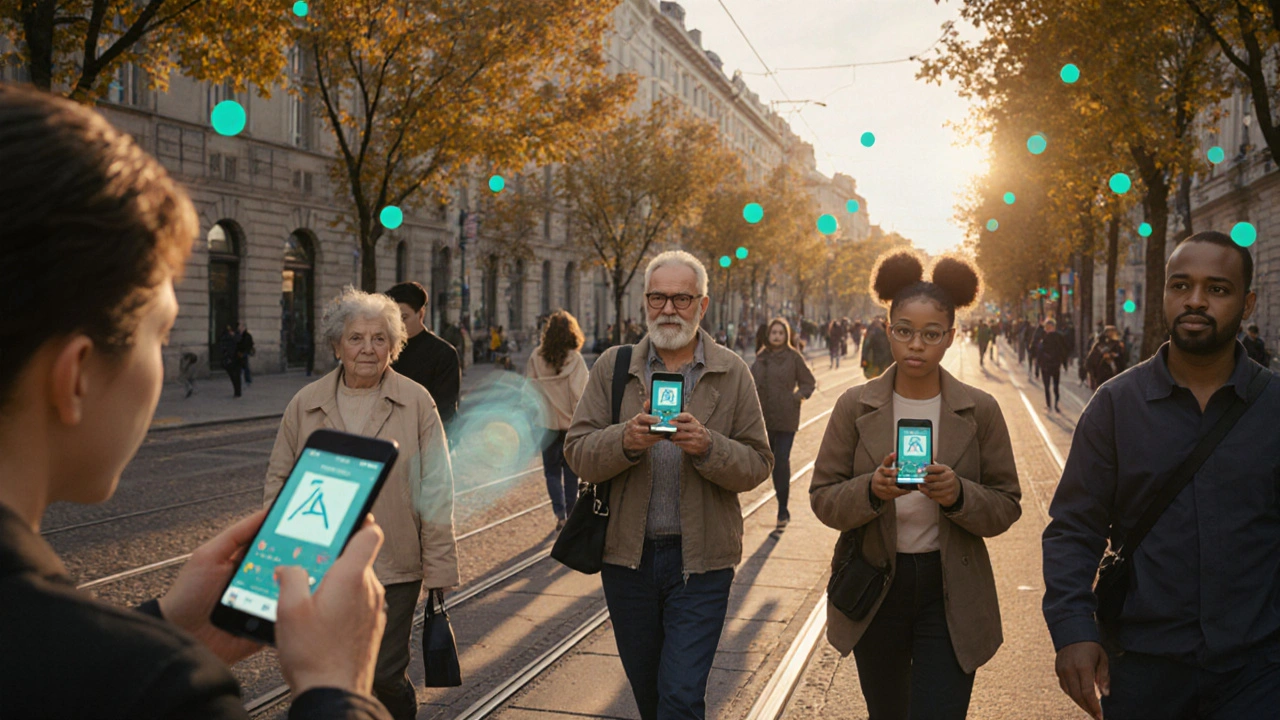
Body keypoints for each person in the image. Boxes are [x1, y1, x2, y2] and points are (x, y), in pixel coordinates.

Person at [0, 83, 391, 720]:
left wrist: (162, 627)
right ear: (75, 377)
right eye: (159, 333)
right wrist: (335, 686)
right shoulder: (164, 692)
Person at [1043, 231, 1280, 720]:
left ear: (1248, 302)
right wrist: (1073, 630)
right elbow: (1074, 529)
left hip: (1259, 672)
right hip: (1142, 669)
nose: (1195, 300)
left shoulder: (1275, 407)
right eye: (1181, 286)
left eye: (1217, 289)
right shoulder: (1114, 405)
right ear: (1163, 295)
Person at [811, 250, 1022, 720]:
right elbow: (823, 498)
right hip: (876, 583)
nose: (916, 345)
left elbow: (1008, 504)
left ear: (951, 337)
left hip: (949, 587)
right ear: (887, 330)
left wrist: (960, 494)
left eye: (931, 334)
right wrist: (872, 490)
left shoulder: (980, 409)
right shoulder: (854, 405)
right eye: (904, 331)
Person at [564, 250, 773, 720]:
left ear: (702, 306)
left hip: (701, 564)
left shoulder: (731, 371)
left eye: (681, 298)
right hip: (627, 560)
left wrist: (708, 446)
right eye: (658, 297)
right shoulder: (615, 367)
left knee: (680, 695)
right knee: (650, 695)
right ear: (645, 302)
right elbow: (576, 451)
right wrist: (625, 440)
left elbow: (759, 463)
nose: (668, 309)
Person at [266, 287, 459, 720]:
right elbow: (279, 482)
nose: (368, 349)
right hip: (320, 564)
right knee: (331, 673)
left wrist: (440, 567)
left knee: (384, 674)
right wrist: (276, 560)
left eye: (379, 339)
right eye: (356, 338)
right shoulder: (306, 403)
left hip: (393, 565)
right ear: (337, 346)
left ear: (394, 346)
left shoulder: (415, 401)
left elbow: (437, 486)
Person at [751, 317, 817, 531]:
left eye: (781, 333)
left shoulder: (793, 357)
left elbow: (809, 382)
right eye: (774, 333)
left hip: (787, 417)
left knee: (782, 460)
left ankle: (782, 508)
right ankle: (782, 504)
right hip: (766, 417)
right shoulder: (761, 357)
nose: (777, 336)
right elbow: (751, 383)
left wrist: (797, 397)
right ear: (768, 335)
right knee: (770, 461)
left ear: (786, 335)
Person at [526, 310, 590, 531]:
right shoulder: (576, 360)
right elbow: (581, 394)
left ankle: (560, 515)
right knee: (571, 473)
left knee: (551, 472)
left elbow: (529, 391)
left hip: (547, 425)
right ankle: (571, 515)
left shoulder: (536, 356)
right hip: (570, 425)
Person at [385, 281, 461, 425]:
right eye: (392, 318)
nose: (397, 325)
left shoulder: (444, 354)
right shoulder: (383, 350)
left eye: (404, 318)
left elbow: (445, 411)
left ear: (421, 313)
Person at [1038, 318, 1070, 412]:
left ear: (1054, 327)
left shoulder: (1058, 337)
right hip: (1046, 365)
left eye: (1050, 327)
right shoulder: (1043, 336)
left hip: (1054, 365)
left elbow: (1063, 351)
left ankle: (1055, 404)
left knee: (1055, 386)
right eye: (1047, 327)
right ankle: (1049, 404)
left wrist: (1064, 364)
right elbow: (1038, 350)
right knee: (1047, 386)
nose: (1048, 329)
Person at [1084, 325, 1125, 391]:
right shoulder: (1117, 345)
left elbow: (1089, 363)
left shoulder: (1099, 344)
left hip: (1104, 377)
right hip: (1109, 377)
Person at [218, 324, 242, 397]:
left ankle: (237, 392)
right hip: (231, 359)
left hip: (235, 358)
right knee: (234, 376)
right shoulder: (225, 336)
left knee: (236, 376)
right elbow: (222, 347)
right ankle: (237, 391)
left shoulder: (236, 335)